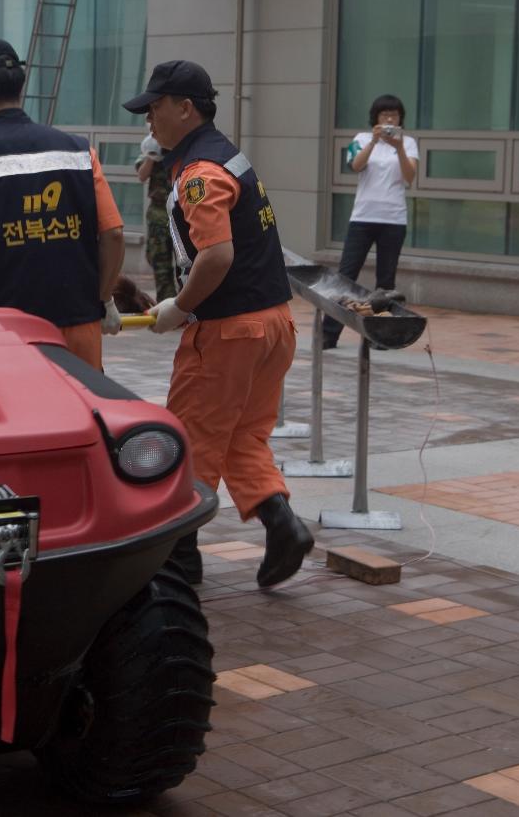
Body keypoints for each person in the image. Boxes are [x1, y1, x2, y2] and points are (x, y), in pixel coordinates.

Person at [124, 60, 312, 588]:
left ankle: (178, 562)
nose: (148, 121)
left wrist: (181, 307)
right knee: (242, 438)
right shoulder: (225, 153)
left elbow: (217, 256)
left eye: (154, 109)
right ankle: (283, 527)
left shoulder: (199, 173)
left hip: (229, 332)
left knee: (192, 440)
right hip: (274, 323)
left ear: (184, 108)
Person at [0, 38, 126, 370]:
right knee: (82, 413)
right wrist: (102, 299)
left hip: (5, 330)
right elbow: (114, 234)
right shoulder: (78, 151)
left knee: (22, 415)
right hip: (79, 325)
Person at [321, 94, 418, 349]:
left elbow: (410, 177)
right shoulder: (361, 139)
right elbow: (355, 165)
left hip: (394, 219)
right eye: (384, 114)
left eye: (394, 115)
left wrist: (398, 148)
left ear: (400, 119)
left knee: (386, 281)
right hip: (362, 217)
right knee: (345, 276)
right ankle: (329, 335)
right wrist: (374, 142)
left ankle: (382, 337)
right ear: (375, 118)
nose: (389, 119)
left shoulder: (408, 143)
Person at [136, 132, 177, 301]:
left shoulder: (180, 149)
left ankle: (186, 306)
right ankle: (167, 301)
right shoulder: (152, 146)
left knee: (186, 263)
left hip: (179, 210)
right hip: (158, 211)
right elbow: (142, 175)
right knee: (160, 262)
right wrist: (152, 156)